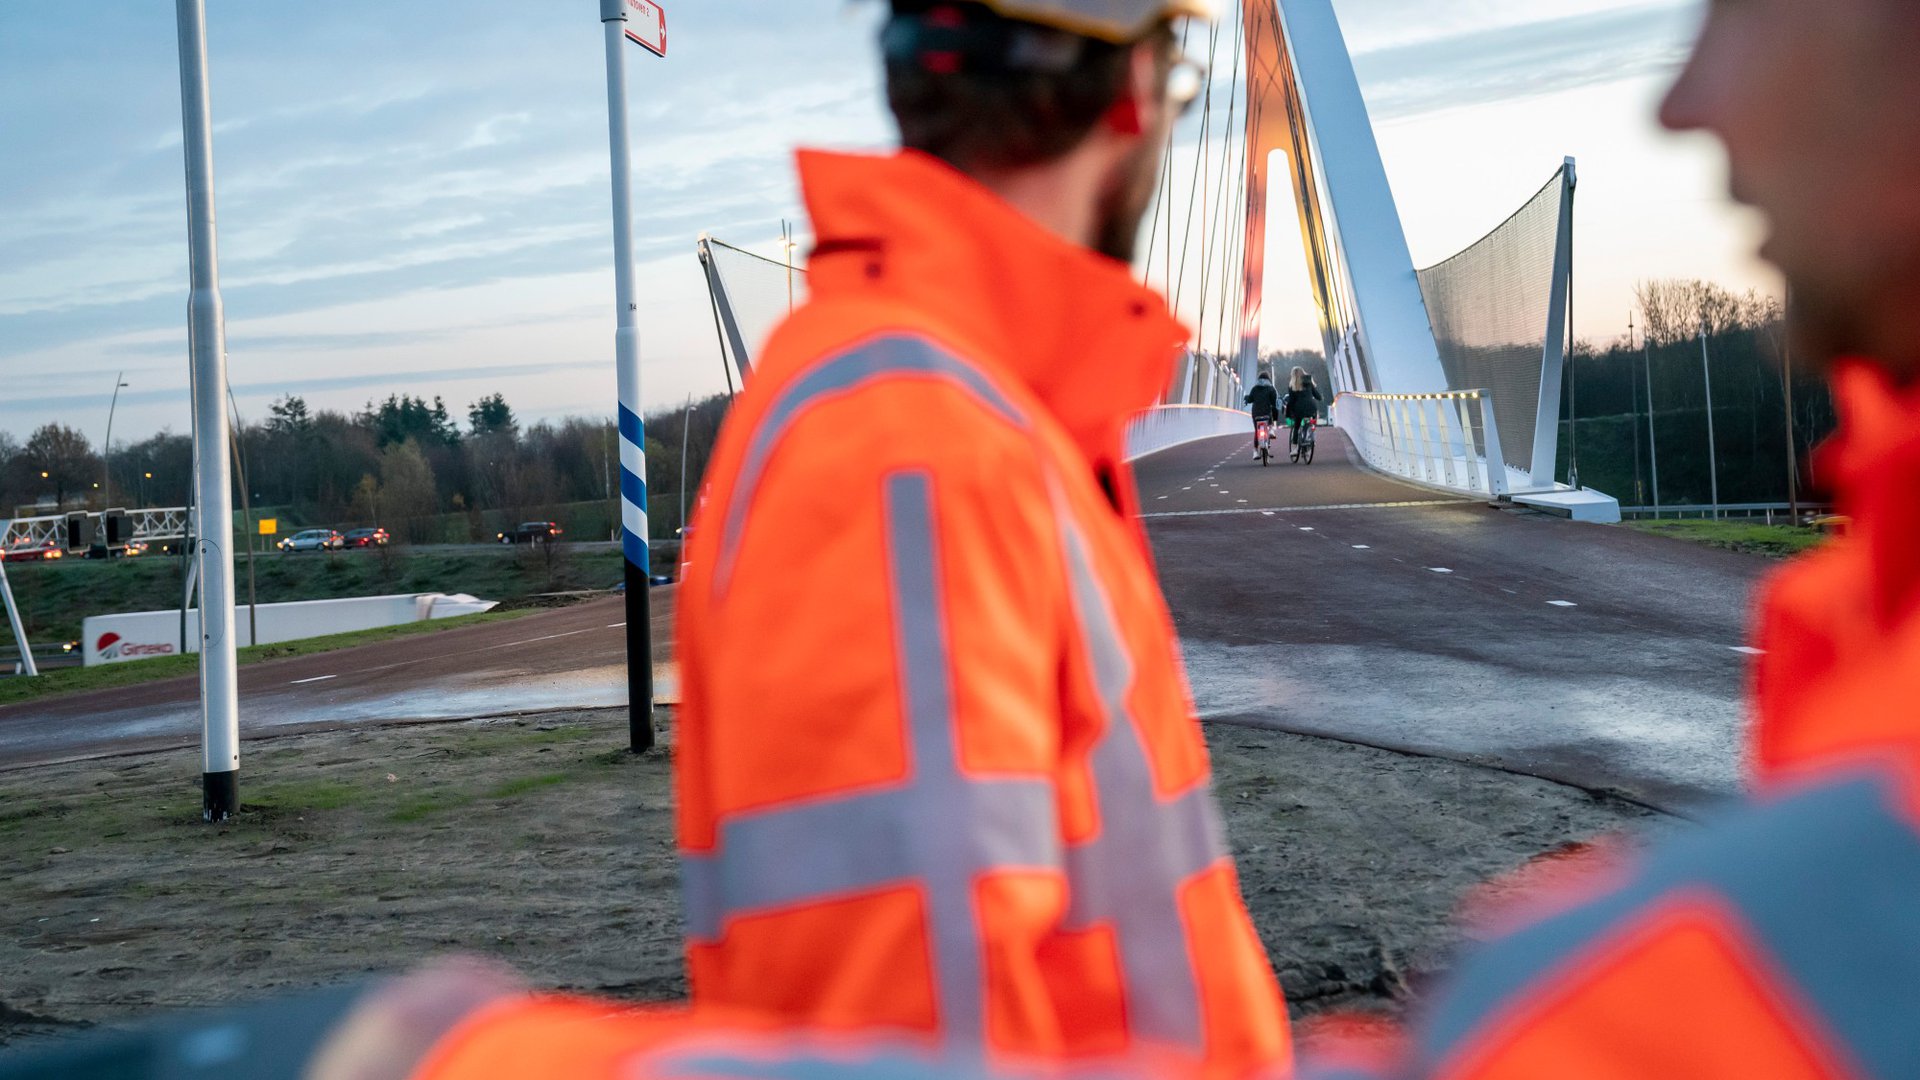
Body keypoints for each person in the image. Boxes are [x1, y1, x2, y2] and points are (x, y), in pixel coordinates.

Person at [310, 1, 1292, 1077]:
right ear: (1131, 94)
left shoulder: (969, 409)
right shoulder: (914, 448)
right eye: (1182, 81)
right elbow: (915, 1039)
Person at [1280, 367, 1320, 454]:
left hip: (1299, 410)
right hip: (1312, 408)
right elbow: (1316, 395)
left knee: (1296, 427)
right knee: (1311, 423)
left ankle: (1294, 449)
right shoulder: (1309, 383)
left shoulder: (1292, 385)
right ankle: (1311, 438)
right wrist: (1320, 398)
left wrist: (1288, 413)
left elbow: (1291, 401)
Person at [1244, 368, 1281, 459]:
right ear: (1268, 379)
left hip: (1256, 414)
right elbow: (1274, 402)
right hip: (1266, 413)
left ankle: (1255, 451)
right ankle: (1271, 428)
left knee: (1257, 431)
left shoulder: (1255, 388)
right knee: (1271, 410)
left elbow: (1250, 399)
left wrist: (1246, 398)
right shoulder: (1271, 388)